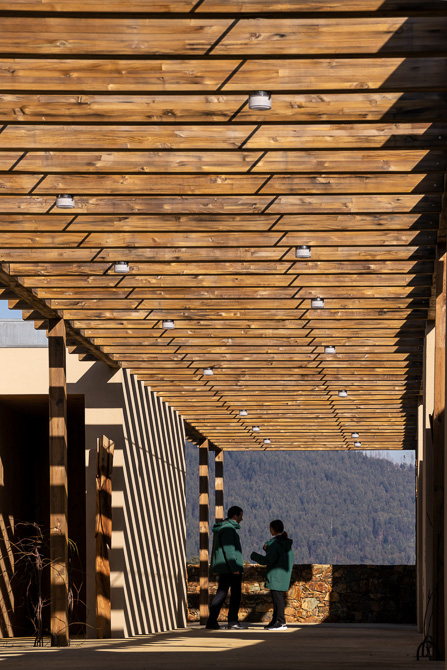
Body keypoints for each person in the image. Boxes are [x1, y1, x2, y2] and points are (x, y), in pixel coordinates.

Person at [206, 505, 246, 630]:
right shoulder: (228, 529)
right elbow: (229, 551)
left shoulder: (224, 528)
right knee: (235, 595)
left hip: (225, 568)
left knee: (221, 593)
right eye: (241, 515)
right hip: (230, 569)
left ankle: (212, 621)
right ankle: (232, 621)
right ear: (235, 515)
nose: (242, 518)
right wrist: (235, 568)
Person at [250, 519, 293, 631]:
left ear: (273, 529)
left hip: (276, 575)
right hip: (283, 575)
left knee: (278, 599)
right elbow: (278, 556)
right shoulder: (285, 543)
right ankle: (275, 621)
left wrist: (254, 556)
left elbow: (268, 560)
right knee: (277, 598)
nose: (270, 530)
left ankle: (281, 622)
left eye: (270, 528)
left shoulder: (275, 544)